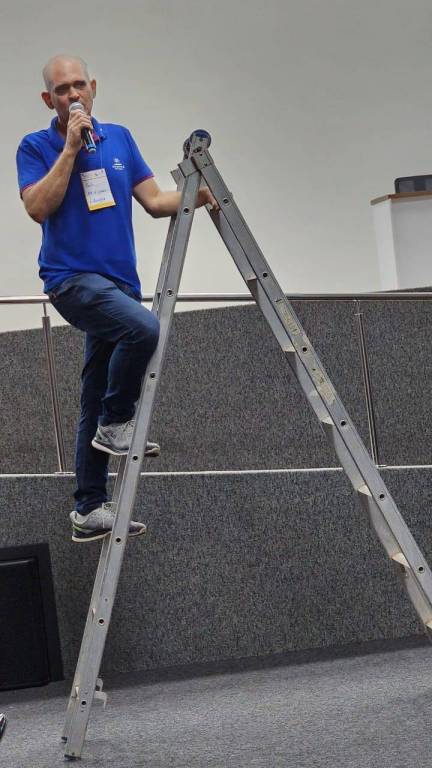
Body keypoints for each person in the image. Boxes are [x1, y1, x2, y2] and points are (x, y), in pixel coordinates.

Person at [16, 55, 218, 543]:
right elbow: (38, 207)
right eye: (62, 90)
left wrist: (200, 192)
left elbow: (155, 202)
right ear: (48, 99)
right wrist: (70, 148)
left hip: (120, 285)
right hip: (72, 280)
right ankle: (117, 422)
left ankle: (88, 507)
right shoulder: (36, 146)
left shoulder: (120, 139)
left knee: (93, 392)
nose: (73, 95)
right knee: (144, 329)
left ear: (94, 87)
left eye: (79, 85)